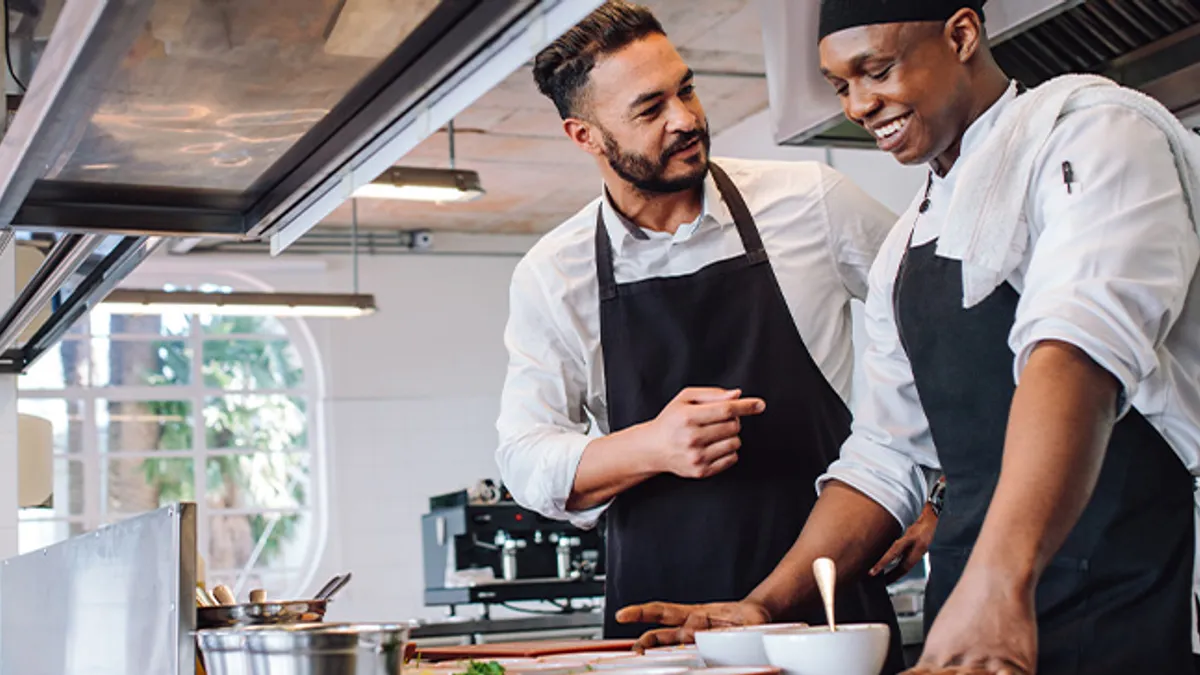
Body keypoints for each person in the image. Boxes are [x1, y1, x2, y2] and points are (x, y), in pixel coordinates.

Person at [616, 1, 1200, 673]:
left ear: (960, 35)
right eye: (840, 86)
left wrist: (998, 584)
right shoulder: (904, 247)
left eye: (876, 69)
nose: (860, 104)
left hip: (1133, 600)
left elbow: (1077, 352)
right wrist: (767, 604)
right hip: (972, 630)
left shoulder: (1096, 136)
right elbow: (885, 458)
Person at [493, 2, 904, 668]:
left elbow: (943, 329)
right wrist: (651, 444)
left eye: (685, 88)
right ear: (585, 136)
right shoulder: (553, 272)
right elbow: (524, 458)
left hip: (826, 611)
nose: (685, 117)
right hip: (661, 633)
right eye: (650, 109)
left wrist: (934, 491)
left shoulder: (812, 202)